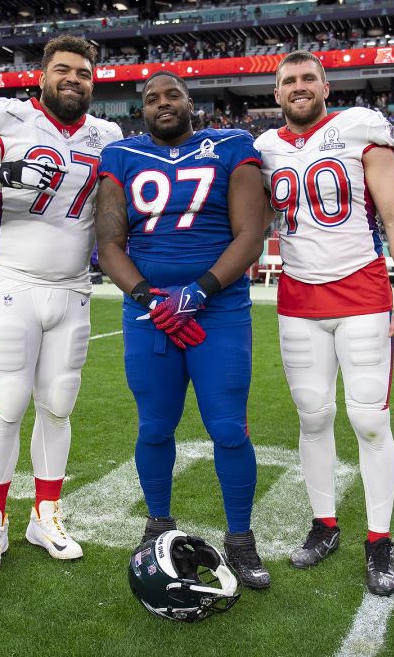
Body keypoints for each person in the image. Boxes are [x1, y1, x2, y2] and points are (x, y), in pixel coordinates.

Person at [0, 36, 122, 576]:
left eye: (83, 73)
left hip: (73, 289)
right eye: (63, 70)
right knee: (9, 405)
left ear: (94, 80)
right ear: (42, 76)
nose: (73, 79)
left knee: (60, 404)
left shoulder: (106, 136)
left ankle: (45, 514)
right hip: (12, 284)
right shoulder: (8, 119)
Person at [254, 51, 394, 596]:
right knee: (313, 416)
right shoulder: (264, 148)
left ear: (325, 86)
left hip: (362, 292)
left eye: (308, 78)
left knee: (370, 420)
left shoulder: (359, 129)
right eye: (288, 82)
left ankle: (379, 540)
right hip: (299, 299)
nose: (299, 87)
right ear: (276, 94)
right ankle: (325, 525)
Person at [94, 70, 271, 589]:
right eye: (152, 99)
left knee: (228, 428)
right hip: (149, 315)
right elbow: (109, 245)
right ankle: (158, 523)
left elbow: (250, 234)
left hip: (218, 310)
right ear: (141, 110)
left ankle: (240, 537)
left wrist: (196, 293)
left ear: (190, 101)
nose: (162, 103)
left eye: (172, 94)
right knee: (154, 426)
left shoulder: (231, 145)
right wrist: (151, 299)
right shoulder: (120, 156)